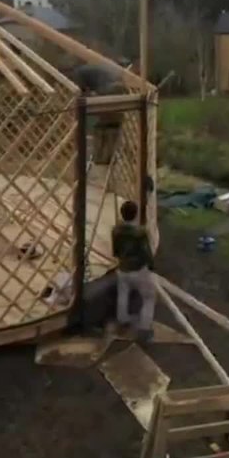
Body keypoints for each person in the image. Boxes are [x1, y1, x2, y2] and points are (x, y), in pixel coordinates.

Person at [112, 200, 156, 343]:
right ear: (135, 214)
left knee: (123, 294)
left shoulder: (116, 230)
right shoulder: (140, 232)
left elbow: (115, 251)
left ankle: (122, 320)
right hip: (138, 270)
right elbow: (146, 252)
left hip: (122, 268)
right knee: (149, 298)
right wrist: (151, 266)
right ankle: (144, 329)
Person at [73, 61, 129, 165]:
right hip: (120, 87)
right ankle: (109, 156)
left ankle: (100, 158)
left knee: (102, 125)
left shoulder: (79, 73)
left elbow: (82, 91)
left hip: (108, 89)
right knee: (113, 124)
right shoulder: (95, 68)